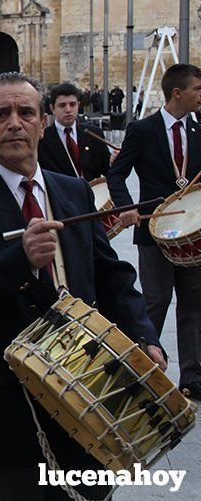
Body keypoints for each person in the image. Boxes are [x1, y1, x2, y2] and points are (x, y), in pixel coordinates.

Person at [0, 71, 166, 500]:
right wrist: (19, 259)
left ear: (43, 122)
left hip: (86, 405)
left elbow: (110, 274)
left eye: (26, 112)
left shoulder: (73, 191)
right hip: (3, 412)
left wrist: (143, 337)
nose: (15, 122)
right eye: (1, 113)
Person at [107, 63, 201, 400]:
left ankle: (192, 377)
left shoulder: (199, 128)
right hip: (153, 231)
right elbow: (116, 174)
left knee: (194, 304)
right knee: (155, 301)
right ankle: (141, 371)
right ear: (178, 92)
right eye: (197, 90)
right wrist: (126, 207)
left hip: (192, 235)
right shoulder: (142, 129)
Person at [38, 83, 111, 181]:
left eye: (72, 104)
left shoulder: (94, 134)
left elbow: (108, 169)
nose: (68, 110)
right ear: (52, 108)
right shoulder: (42, 139)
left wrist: (115, 161)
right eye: (62, 105)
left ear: (78, 105)